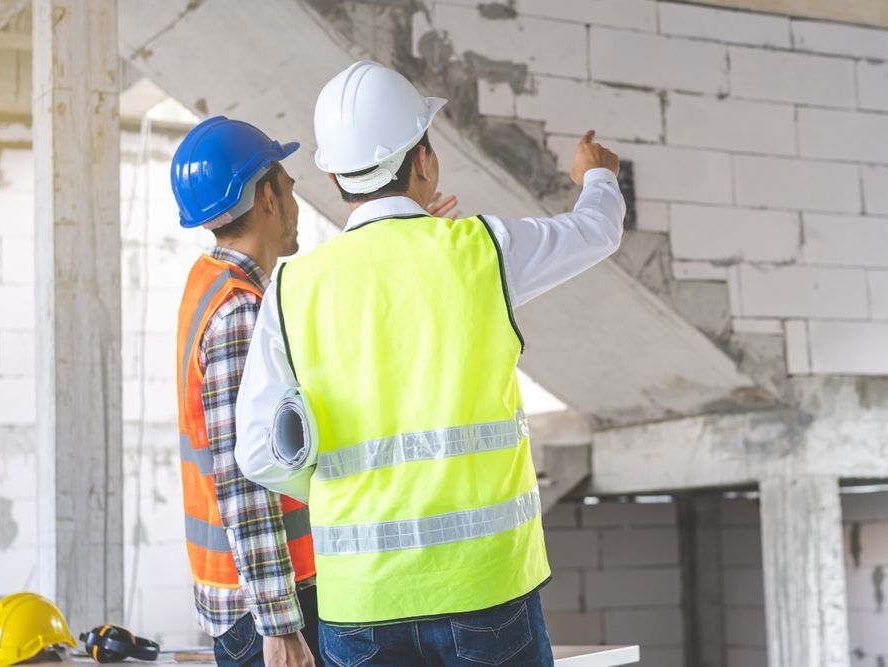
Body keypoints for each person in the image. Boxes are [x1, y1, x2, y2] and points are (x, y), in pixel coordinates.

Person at [235, 60, 624, 667]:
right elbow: (597, 230)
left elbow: (259, 454)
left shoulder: (293, 288)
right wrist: (597, 176)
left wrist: (348, 489)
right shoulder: (482, 254)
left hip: (360, 603)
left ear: (335, 176)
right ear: (424, 161)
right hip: (488, 589)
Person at [171, 116, 319, 667]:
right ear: (266, 199)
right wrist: (279, 623)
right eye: (288, 185)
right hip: (267, 604)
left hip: (240, 591)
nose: (295, 200)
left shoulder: (207, 281)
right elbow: (244, 475)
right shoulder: (239, 312)